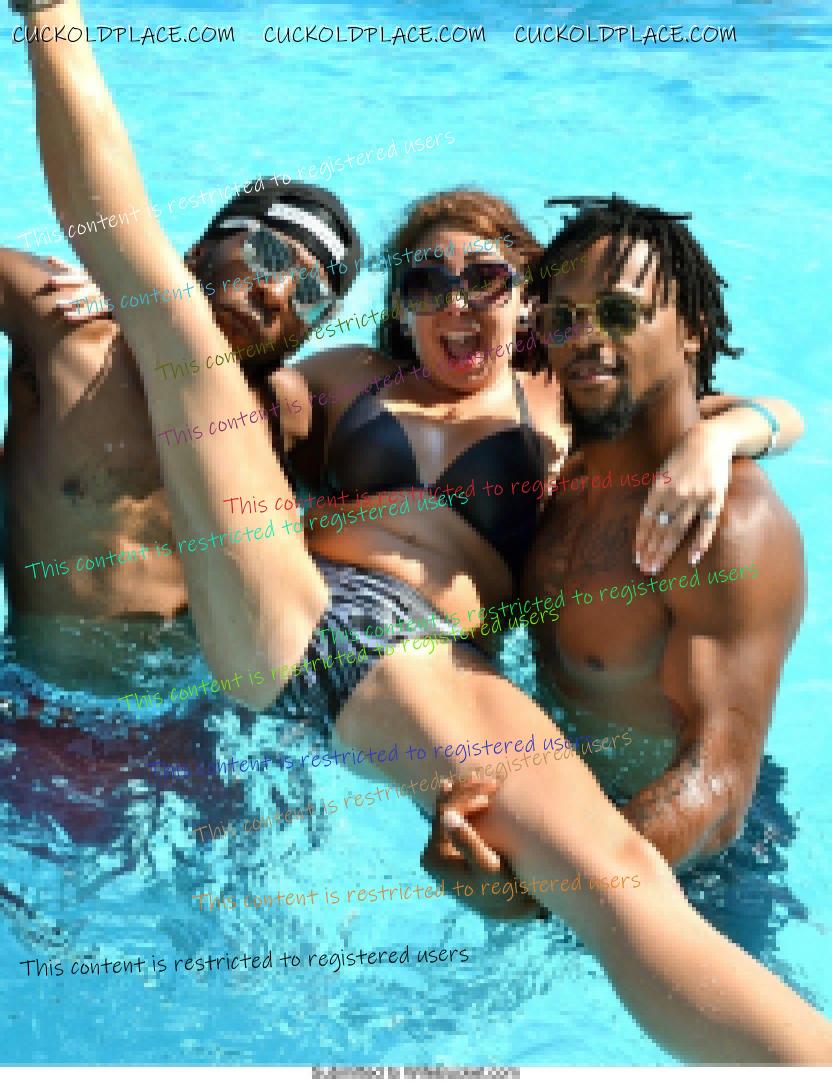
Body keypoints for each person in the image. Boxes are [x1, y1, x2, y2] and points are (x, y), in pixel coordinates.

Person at [16, 1, 832, 1062]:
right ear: (397, 307)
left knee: (620, 889)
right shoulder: (345, 384)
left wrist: (729, 435)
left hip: (417, 665)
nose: (457, 299)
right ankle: (51, 15)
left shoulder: (564, 398)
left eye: (486, 278)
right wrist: (128, 313)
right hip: (287, 607)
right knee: (164, 309)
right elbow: (218, 382)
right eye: (426, 280)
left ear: (527, 303)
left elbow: (734, 406)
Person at [423, 199, 810, 961]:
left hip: (704, 875)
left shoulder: (726, 525)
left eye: (619, 311)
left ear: (692, 325)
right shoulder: (565, 475)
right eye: (561, 319)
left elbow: (717, 792)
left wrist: (542, 891)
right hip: (576, 832)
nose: (584, 337)